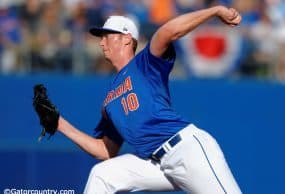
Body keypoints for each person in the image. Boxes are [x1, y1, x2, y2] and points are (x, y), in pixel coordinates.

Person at [57, 5, 242, 194]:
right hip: (156, 164)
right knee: (102, 174)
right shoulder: (110, 99)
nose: (102, 42)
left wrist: (215, 11)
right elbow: (105, 150)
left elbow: (169, 31)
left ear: (127, 39)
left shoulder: (146, 63)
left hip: (185, 150)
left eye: (107, 36)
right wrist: (59, 124)